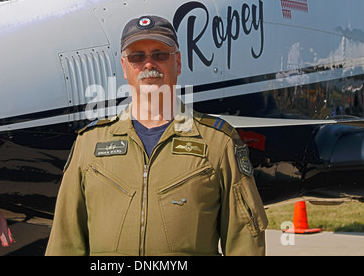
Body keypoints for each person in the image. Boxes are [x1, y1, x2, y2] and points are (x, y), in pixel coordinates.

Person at [45, 15, 267, 256]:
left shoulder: (217, 142)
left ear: (178, 62)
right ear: (124, 67)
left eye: (160, 54)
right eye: (137, 57)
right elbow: (64, 242)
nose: (148, 64)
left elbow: (244, 241)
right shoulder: (90, 143)